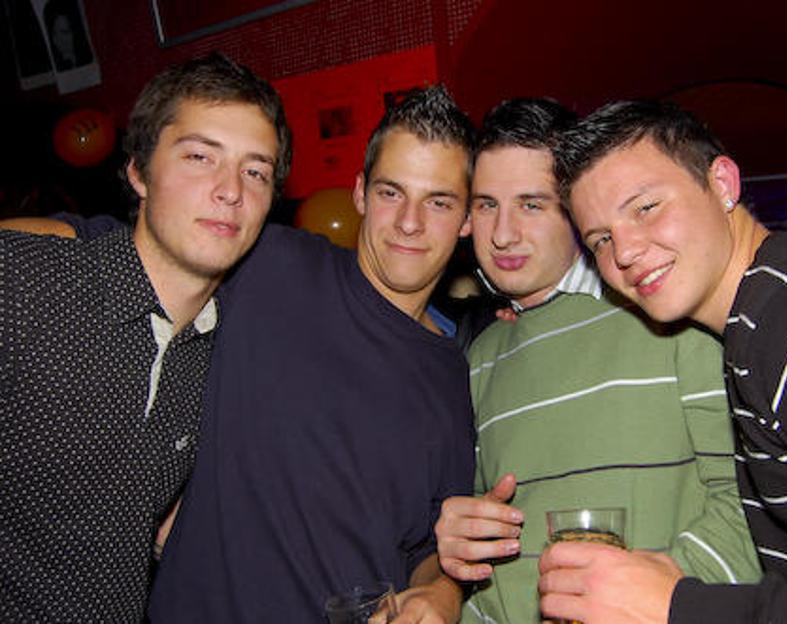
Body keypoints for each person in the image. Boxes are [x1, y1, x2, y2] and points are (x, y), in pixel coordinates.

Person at [537, 99, 787, 623]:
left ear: (723, 183)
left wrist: (683, 609)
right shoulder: (771, 315)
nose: (625, 252)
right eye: (601, 240)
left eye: (645, 207)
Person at [146, 86, 476, 623]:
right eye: (391, 192)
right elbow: (130, 266)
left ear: (466, 220)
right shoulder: (268, 265)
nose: (410, 222)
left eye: (438, 202)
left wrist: (442, 592)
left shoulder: (451, 373)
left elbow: (427, 543)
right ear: (360, 193)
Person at [433, 98, 760, 623]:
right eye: (487, 205)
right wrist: (453, 557)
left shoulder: (672, 313)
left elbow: (750, 508)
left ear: (577, 210)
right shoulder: (481, 355)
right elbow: (493, 559)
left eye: (532, 204)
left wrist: (654, 601)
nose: (503, 233)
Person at [0, 53, 291, 623]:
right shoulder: (28, 282)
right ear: (138, 172)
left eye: (255, 171)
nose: (230, 190)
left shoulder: (223, 347)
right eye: (200, 157)